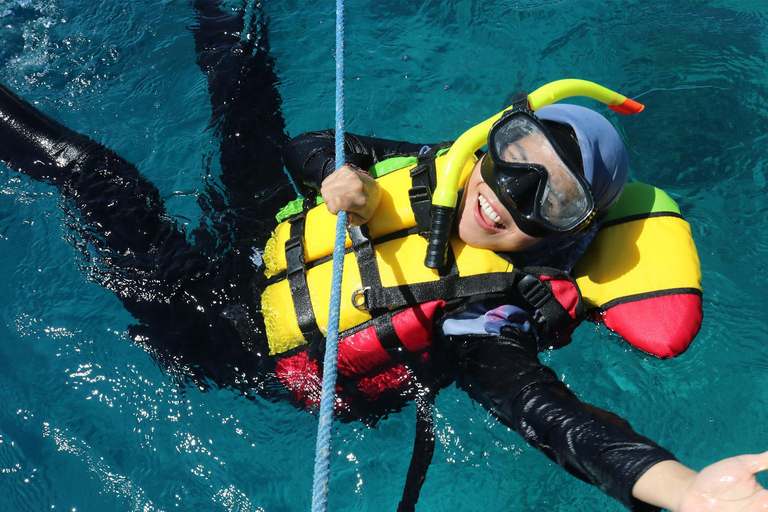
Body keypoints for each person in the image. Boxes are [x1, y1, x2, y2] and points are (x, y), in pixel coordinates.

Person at [0, 2, 766, 511]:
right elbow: (304, 153)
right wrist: (357, 186)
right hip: (266, 236)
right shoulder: (449, 174)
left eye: (550, 199)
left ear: (564, 236)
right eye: (516, 156)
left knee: (93, 176)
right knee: (241, 85)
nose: (504, 195)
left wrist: (685, 489)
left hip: (228, 337)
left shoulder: (483, 320)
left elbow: (556, 420)